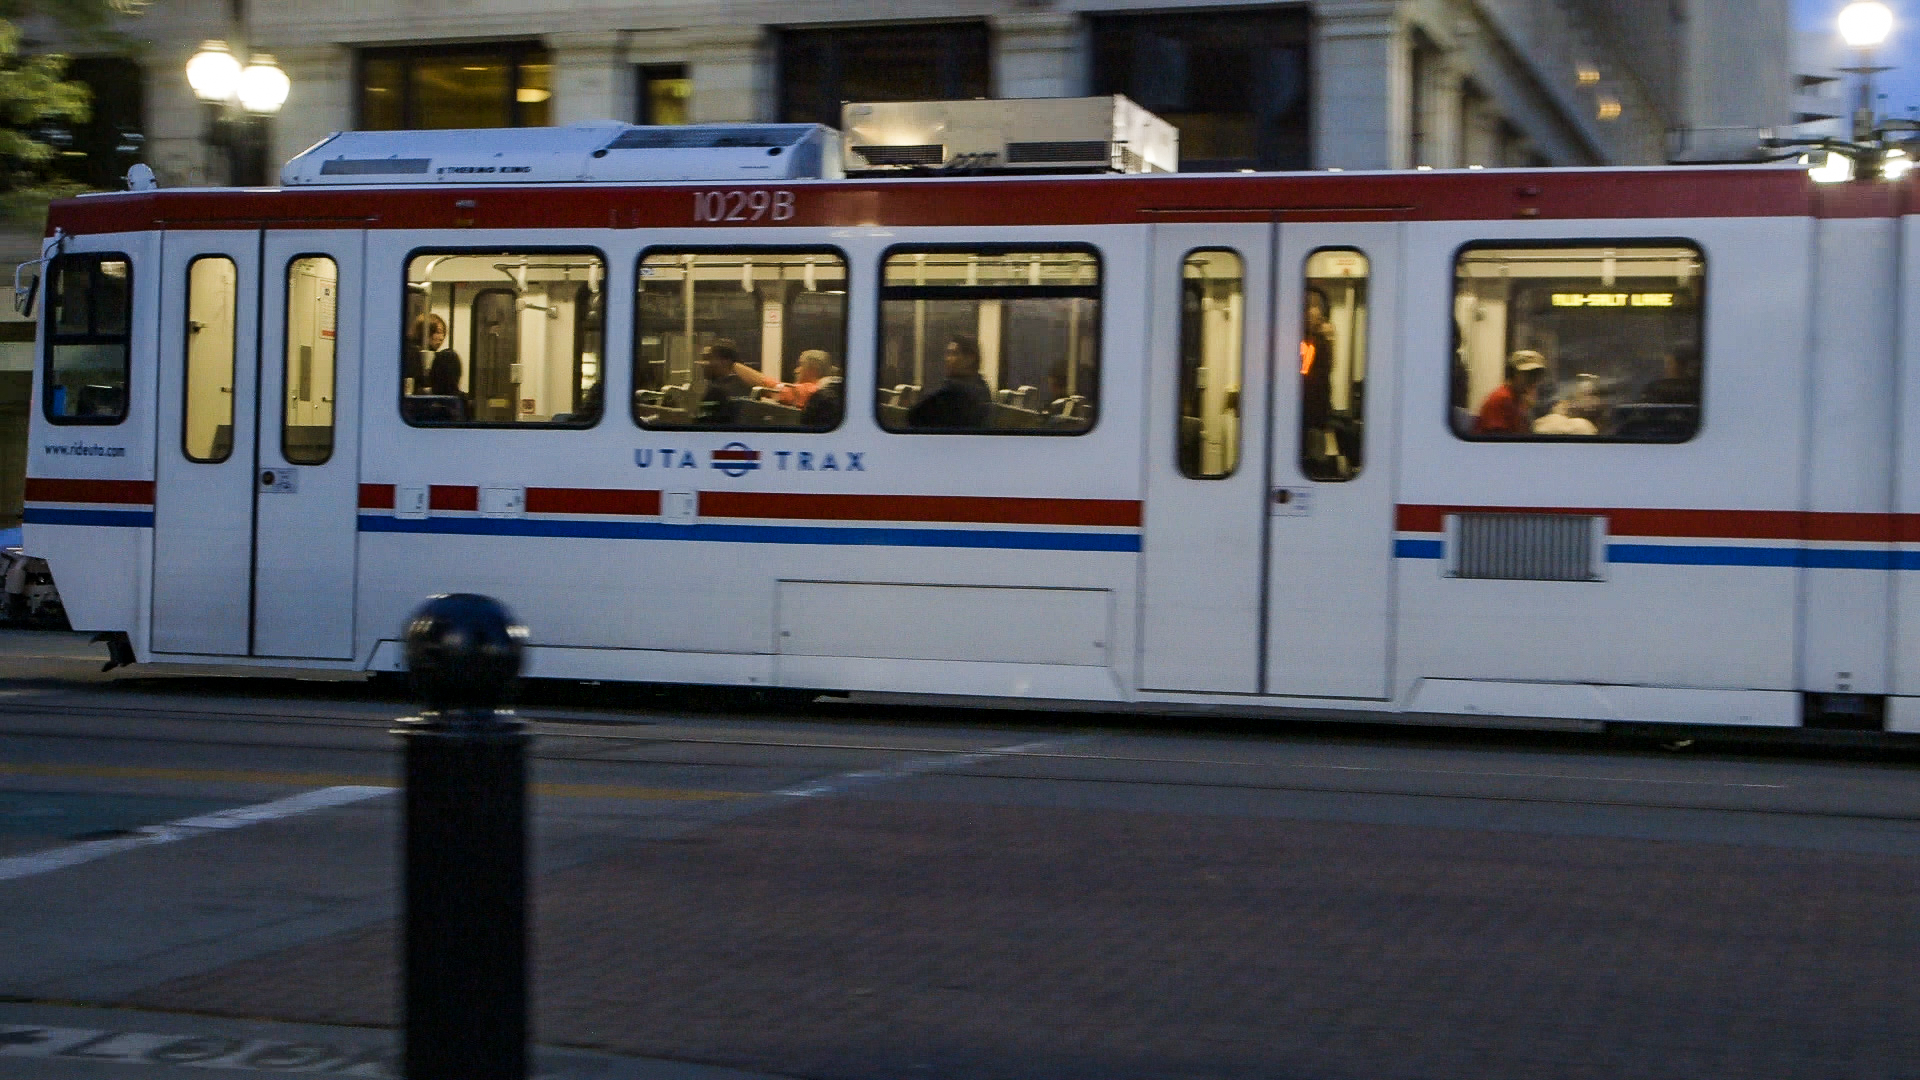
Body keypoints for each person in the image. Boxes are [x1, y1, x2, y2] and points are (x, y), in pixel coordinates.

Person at [906, 335, 992, 429]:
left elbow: (913, 416)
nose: (947, 359)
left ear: (970, 359)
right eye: (948, 354)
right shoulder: (982, 387)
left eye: (953, 354)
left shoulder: (954, 390)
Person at [1300, 287, 1336, 468]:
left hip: (1314, 411)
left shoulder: (1315, 341)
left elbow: (1326, 370)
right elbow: (1316, 373)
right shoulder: (1311, 343)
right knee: (1314, 458)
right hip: (1309, 411)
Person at [1473, 350, 1548, 436]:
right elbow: (1499, 440)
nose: (1534, 379)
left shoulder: (1520, 399)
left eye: (1536, 375)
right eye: (1528, 374)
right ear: (1513, 374)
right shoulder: (1501, 399)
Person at [736, 349, 834, 409]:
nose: (796, 370)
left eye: (800, 365)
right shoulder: (824, 387)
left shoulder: (811, 391)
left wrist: (734, 365)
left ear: (813, 370)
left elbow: (770, 386)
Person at [696, 339, 751, 424]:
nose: (706, 364)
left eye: (711, 359)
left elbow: (703, 423)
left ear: (725, 362)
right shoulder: (746, 387)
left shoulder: (715, 392)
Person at [408, 313, 463, 399]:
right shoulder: (411, 354)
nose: (441, 337)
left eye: (443, 333)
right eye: (438, 332)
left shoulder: (437, 357)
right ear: (425, 331)